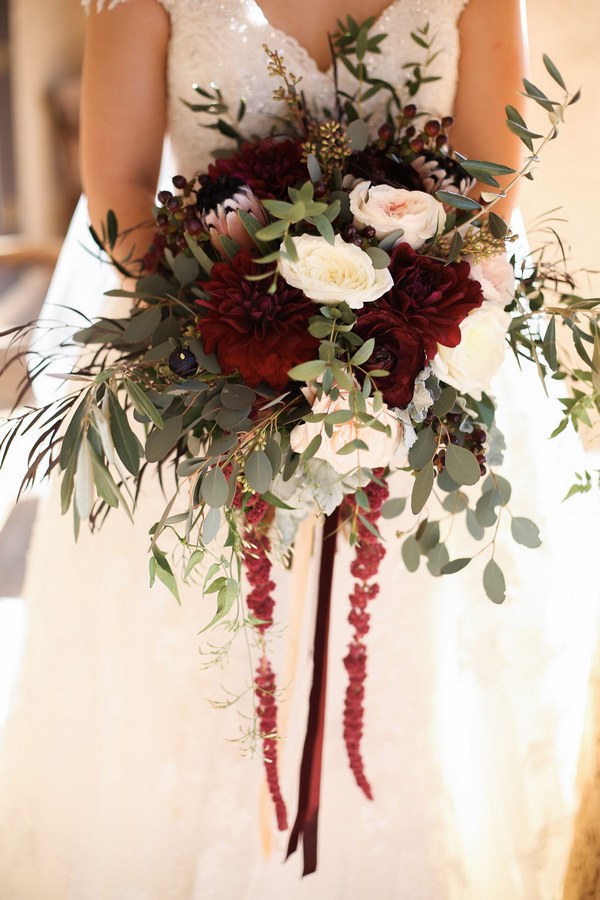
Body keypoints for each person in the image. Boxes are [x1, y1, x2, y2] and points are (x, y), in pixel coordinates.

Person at [0, 1, 597, 897]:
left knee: (411, 679)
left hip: (424, 372)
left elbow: (489, 191)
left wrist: (380, 335)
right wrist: (248, 348)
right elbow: (119, 194)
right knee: (203, 674)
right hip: (202, 370)